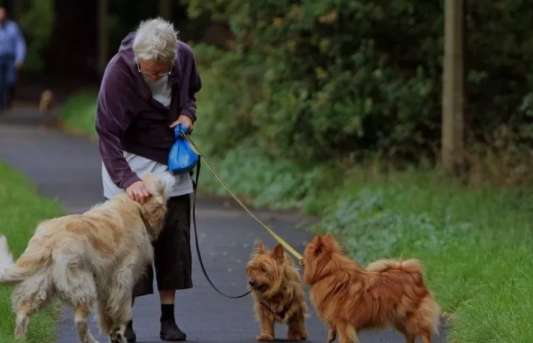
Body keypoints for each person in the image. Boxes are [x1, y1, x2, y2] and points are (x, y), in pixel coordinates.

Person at [95, 18, 201, 342]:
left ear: (172, 59)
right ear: (138, 59)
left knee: (174, 235)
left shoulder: (183, 56)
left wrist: (187, 115)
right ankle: (125, 321)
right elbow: (107, 134)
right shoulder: (119, 71)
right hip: (129, 160)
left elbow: (190, 95)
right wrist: (129, 181)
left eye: (160, 71)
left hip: (171, 162)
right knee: (130, 248)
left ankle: (168, 319)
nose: (154, 76)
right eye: (149, 71)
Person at [0, 5, 25, 111]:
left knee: (10, 80)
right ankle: (2, 103)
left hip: (10, 59)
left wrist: (20, 58)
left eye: (2, 13)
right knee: (0, 81)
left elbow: (19, 43)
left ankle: (9, 99)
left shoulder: (13, 27)